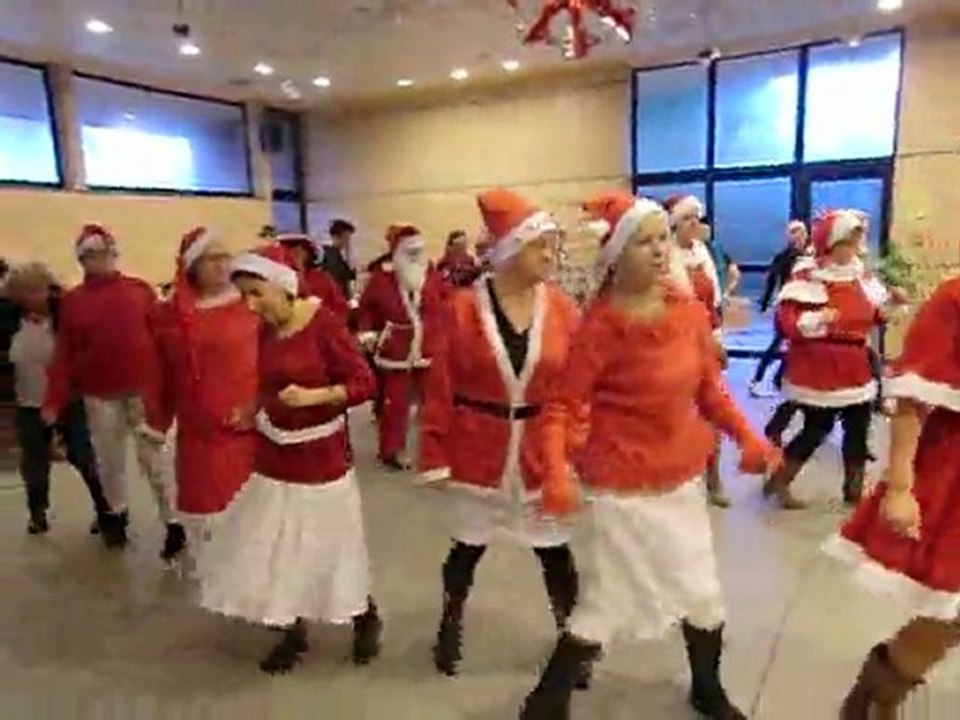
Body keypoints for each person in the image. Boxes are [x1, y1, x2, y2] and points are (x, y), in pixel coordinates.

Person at [519, 192, 777, 720]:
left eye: (664, 238)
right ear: (616, 254)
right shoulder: (601, 328)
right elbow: (562, 406)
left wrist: (747, 437)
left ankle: (707, 688)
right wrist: (554, 473)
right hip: (624, 488)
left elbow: (710, 390)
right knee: (606, 602)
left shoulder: (687, 313)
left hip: (680, 480)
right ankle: (545, 703)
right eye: (645, 241)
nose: (660, 251)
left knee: (702, 593)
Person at [419, 188, 583, 679]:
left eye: (553, 246)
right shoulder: (463, 307)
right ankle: (450, 622)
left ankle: (572, 640)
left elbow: (579, 384)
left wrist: (576, 447)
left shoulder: (561, 308)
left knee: (555, 548)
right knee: (467, 544)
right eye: (542, 246)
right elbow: (439, 384)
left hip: (540, 446)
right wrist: (434, 451)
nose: (551, 256)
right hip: (478, 446)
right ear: (512, 248)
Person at [198, 244, 382, 675]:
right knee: (280, 548)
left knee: (329, 545)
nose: (250, 304)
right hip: (276, 455)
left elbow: (364, 382)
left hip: (322, 460)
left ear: (282, 286)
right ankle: (292, 628)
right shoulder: (266, 330)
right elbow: (268, 381)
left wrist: (315, 396)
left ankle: (363, 615)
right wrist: (251, 406)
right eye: (244, 295)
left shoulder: (324, 325)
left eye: (256, 293)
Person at [822, 274, 960, 717]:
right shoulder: (955, 295)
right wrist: (900, 486)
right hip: (953, 472)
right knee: (946, 617)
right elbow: (912, 397)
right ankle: (874, 696)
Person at [42, 224, 181, 554]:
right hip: (99, 395)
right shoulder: (73, 302)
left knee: (155, 461)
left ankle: (174, 523)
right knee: (108, 461)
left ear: (113, 254)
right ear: (81, 260)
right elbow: (65, 354)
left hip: (144, 391)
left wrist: (173, 389)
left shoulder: (140, 291)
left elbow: (165, 341)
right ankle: (115, 516)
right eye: (89, 255)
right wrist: (54, 401)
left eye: (103, 253)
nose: (98, 260)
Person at [142, 228, 259, 568]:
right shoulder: (170, 316)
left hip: (250, 426)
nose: (223, 265)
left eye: (227, 257)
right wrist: (157, 420)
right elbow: (161, 370)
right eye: (213, 258)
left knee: (255, 508)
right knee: (210, 510)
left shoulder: (250, 304)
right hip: (200, 433)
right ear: (193, 265)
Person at [764, 210, 887, 510]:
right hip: (819, 367)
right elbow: (787, 323)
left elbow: (872, 315)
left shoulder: (861, 277)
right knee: (816, 429)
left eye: (858, 239)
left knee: (858, 427)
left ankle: (854, 488)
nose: (858, 246)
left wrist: (889, 307)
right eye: (851, 240)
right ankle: (779, 480)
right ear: (833, 244)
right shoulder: (807, 277)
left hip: (856, 365)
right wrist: (817, 319)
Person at [6, 263, 111, 539]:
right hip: (27, 403)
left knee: (83, 456)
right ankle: (37, 514)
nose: (32, 297)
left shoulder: (67, 316)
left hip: (70, 400)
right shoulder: (8, 319)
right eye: (24, 293)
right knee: (34, 463)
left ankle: (106, 511)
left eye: (37, 290)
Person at [358, 224, 445, 470]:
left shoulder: (430, 273)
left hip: (428, 345)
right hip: (396, 346)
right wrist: (367, 333)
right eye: (410, 253)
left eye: (419, 252)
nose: (416, 257)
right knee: (395, 404)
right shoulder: (382, 277)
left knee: (435, 401)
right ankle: (391, 450)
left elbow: (443, 302)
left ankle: (437, 449)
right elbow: (366, 309)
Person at [664, 194, 732, 508]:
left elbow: (713, 306)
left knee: (712, 413)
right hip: (676, 346)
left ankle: (713, 478)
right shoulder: (664, 257)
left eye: (697, 218)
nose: (695, 224)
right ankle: (674, 475)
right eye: (688, 218)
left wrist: (718, 340)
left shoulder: (703, 253)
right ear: (674, 223)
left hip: (708, 343)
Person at [749, 220, 811, 397]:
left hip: (804, 305)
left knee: (796, 345)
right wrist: (765, 303)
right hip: (787, 305)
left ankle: (778, 379)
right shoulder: (786, 256)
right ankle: (758, 379)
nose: (799, 235)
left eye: (801, 231)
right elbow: (772, 279)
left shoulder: (811, 256)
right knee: (778, 343)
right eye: (794, 232)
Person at [276, 233, 349, 322]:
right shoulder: (274, 279)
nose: (295, 252)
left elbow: (340, 308)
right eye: (289, 247)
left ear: (310, 253)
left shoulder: (322, 278)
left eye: (301, 248)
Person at [320, 219, 357, 300]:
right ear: (335, 237)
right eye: (345, 238)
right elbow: (336, 282)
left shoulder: (337, 256)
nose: (347, 242)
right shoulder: (331, 257)